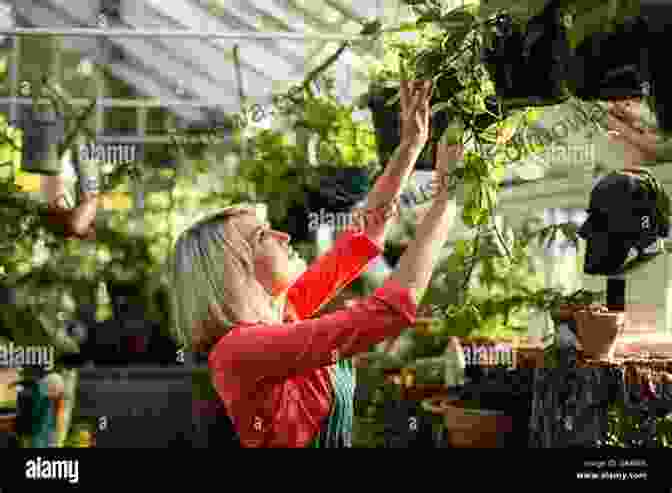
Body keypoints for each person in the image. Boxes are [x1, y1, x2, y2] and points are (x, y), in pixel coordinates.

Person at [169, 80, 463, 448]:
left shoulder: (286, 314)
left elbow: (362, 239)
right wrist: (446, 199)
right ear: (234, 271)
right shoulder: (240, 352)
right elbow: (389, 312)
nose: (284, 237)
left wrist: (409, 146)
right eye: (263, 236)